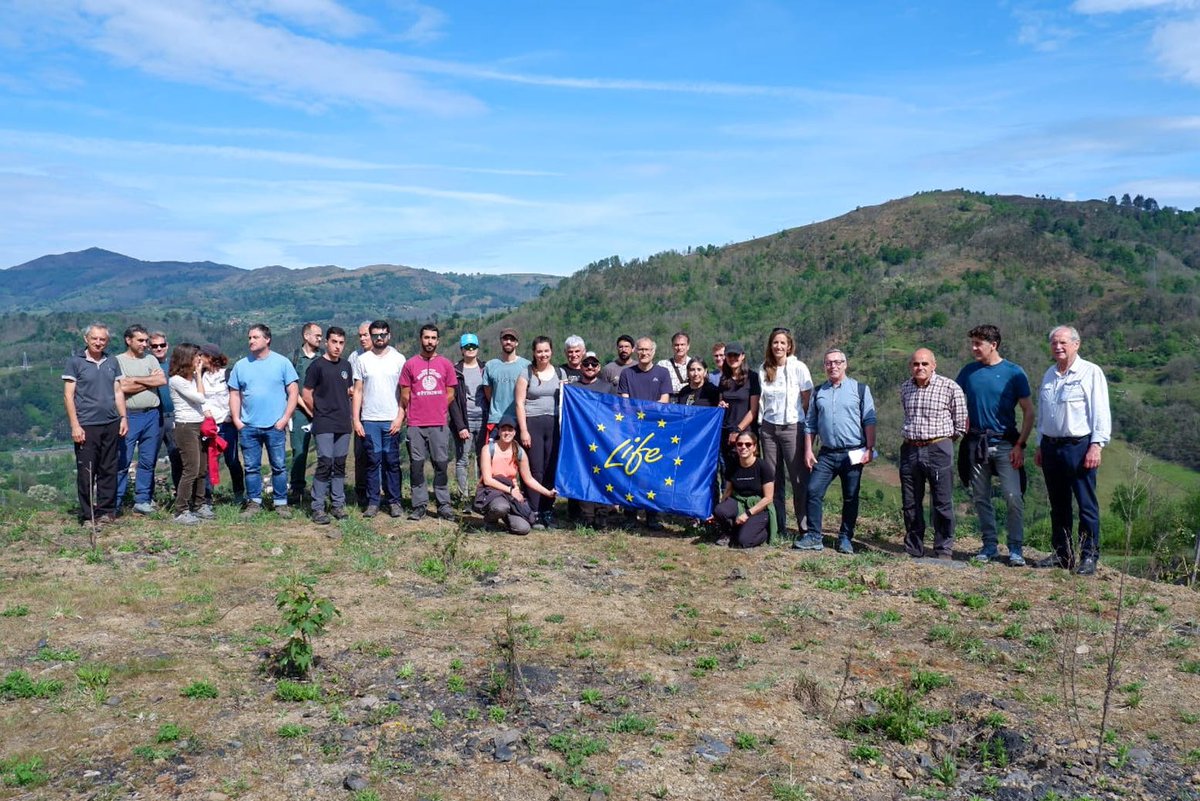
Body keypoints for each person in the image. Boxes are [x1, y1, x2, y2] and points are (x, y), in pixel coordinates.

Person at [956, 325, 1035, 566]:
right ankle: (989, 545)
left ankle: (1015, 548)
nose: (974, 348)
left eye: (978, 343)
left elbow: (1029, 411)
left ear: (994, 344)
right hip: (976, 444)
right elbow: (955, 401)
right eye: (973, 343)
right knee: (980, 496)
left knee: (1013, 496)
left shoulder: (1014, 372)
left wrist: (1020, 444)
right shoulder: (968, 372)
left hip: (1005, 444)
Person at [1035, 325, 1111, 576]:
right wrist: (1039, 445)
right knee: (1058, 504)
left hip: (1079, 447)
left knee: (1086, 504)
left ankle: (1088, 556)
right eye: (1054, 343)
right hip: (1051, 447)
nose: (1058, 347)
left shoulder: (1090, 372)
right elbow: (1043, 414)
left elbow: (1100, 411)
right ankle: (1062, 554)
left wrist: (1096, 446)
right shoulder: (1049, 374)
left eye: (1063, 342)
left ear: (1076, 344)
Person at [795, 349, 876, 554]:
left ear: (845, 364)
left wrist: (870, 447)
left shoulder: (859, 389)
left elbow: (869, 419)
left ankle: (845, 538)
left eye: (837, 362)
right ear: (825, 366)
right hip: (827, 453)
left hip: (853, 452)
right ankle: (814, 536)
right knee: (813, 490)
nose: (833, 366)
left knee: (850, 496)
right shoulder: (818, 392)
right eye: (829, 363)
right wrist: (808, 450)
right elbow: (810, 423)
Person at [899, 348, 968, 560]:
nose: (920, 368)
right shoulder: (905, 388)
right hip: (910, 448)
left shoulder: (949, 387)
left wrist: (944, 443)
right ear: (911, 366)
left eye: (924, 364)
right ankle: (913, 547)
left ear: (934, 365)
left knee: (942, 501)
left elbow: (961, 423)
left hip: (938, 448)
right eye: (916, 364)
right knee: (910, 502)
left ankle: (943, 549)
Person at [228, 324, 300, 518]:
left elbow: (293, 391)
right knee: (251, 467)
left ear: (267, 339)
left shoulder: (282, 363)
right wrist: (237, 420)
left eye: (255, 337)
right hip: (249, 425)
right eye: (249, 337)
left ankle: (280, 503)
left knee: (278, 465)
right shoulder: (241, 365)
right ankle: (254, 502)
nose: (251, 341)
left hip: (275, 425)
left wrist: (285, 418)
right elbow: (234, 394)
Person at [63, 324, 127, 527]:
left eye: (102, 339)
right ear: (86, 339)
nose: (98, 342)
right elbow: (68, 396)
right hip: (86, 425)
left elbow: (118, 391)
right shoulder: (75, 363)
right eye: (94, 338)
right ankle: (88, 514)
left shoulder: (112, 361)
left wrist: (123, 417)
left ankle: (107, 512)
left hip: (110, 422)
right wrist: (75, 425)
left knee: (109, 468)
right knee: (87, 472)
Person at [758, 328, 814, 538]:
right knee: (773, 479)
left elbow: (807, 399)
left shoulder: (799, 367)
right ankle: (778, 526)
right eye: (775, 343)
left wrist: (805, 427)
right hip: (769, 428)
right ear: (770, 345)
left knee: (799, 479)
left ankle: (805, 527)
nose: (779, 347)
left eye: (783, 343)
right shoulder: (764, 369)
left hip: (793, 427)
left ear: (789, 346)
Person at [400, 323, 458, 521]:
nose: (430, 341)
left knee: (440, 465)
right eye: (426, 337)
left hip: (439, 423)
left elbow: (451, 392)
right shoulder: (410, 364)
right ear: (420, 339)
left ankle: (443, 505)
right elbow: (405, 393)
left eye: (433, 338)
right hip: (415, 423)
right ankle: (419, 505)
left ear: (438, 341)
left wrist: (438, 406)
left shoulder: (446, 364)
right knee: (416, 466)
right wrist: (418, 407)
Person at [352, 320, 406, 518]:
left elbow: (404, 392)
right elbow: (358, 391)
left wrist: (400, 416)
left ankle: (394, 501)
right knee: (373, 461)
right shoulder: (363, 360)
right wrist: (356, 420)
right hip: (370, 420)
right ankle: (373, 502)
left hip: (391, 418)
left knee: (392, 461)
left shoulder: (399, 359)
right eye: (375, 335)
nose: (379, 338)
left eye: (383, 334)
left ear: (389, 335)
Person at [618, 338, 673, 531]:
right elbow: (625, 404)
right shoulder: (626, 374)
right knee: (631, 472)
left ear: (653, 352)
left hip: (654, 431)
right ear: (635, 351)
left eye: (647, 350)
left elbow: (663, 402)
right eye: (640, 349)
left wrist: (648, 422)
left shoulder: (663, 373)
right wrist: (634, 423)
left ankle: (652, 515)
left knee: (652, 473)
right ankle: (630, 515)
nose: (644, 353)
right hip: (632, 431)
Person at [303, 326, 354, 525]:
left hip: (343, 422)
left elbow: (347, 390)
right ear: (327, 342)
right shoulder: (317, 366)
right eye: (334, 342)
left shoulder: (346, 366)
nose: (337, 347)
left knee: (339, 463)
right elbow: (306, 394)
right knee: (325, 462)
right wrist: (319, 412)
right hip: (324, 422)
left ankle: (338, 504)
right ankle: (317, 507)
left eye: (341, 343)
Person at [515, 336, 566, 528]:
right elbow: (519, 403)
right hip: (532, 424)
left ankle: (547, 510)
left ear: (551, 351)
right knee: (535, 468)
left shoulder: (560, 373)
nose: (543, 355)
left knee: (550, 468)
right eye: (539, 351)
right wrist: (524, 431)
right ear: (534, 353)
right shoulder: (525, 373)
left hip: (554, 425)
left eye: (546, 351)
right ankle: (534, 511)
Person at [475, 418, 557, 535]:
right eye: (504, 430)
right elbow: (488, 480)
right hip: (492, 492)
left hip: (511, 496)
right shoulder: (488, 449)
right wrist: (510, 490)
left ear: (515, 432)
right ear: (498, 432)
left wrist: (547, 493)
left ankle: (507, 517)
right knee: (500, 507)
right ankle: (490, 520)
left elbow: (528, 479)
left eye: (510, 430)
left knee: (523, 529)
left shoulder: (519, 452)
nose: (507, 433)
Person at [115, 324, 165, 515]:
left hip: (152, 414)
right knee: (122, 461)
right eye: (141, 340)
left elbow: (161, 381)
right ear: (129, 340)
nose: (146, 344)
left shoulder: (151, 358)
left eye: (146, 340)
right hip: (129, 415)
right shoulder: (117, 361)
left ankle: (142, 500)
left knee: (148, 460)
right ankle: (116, 502)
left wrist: (134, 380)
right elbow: (122, 388)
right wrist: (147, 381)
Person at [167, 343, 209, 524]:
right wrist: (199, 375)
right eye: (196, 356)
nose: (199, 360)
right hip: (186, 427)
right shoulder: (176, 380)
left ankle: (199, 504)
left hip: (198, 424)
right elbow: (200, 397)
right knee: (191, 468)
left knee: (201, 468)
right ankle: (181, 509)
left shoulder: (191, 379)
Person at [711, 430, 776, 548]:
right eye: (739, 444)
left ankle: (764, 532)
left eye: (748, 444)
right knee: (720, 510)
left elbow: (768, 498)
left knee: (743, 541)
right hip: (738, 501)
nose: (743, 447)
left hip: (758, 506)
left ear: (754, 447)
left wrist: (747, 514)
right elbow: (728, 491)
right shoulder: (732, 466)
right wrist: (718, 513)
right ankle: (728, 533)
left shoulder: (763, 467)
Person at [200, 343, 244, 507]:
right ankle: (207, 497)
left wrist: (233, 416)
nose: (199, 358)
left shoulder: (227, 374)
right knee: (209, 461)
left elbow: (236, 395)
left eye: (202, 355)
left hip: (226, 424)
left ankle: (239, 494)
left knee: (232, 460)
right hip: (208, 425)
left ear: (210, 357)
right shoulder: (201, 375)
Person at [289, 322, 323, 505]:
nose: (320, 338)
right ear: (306, 336)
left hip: (321, 412)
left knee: (323, 452)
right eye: (317, 335)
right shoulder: (293, 358)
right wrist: (307, 408)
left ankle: (321, 489)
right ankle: (297, 490)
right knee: (299, 450)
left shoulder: (323, 358)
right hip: (299, 412)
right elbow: (291, 388)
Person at [452, 333, 487, 504]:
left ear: (478, 348)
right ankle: (463, 497)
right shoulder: (455, 370)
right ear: (461, 350)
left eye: (473, 346)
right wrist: (460, 425)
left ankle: (482, 496)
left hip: (483, 419)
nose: (470, 350)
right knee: (463, 459)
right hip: (464, 421)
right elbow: (452, 401)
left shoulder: (486, 368)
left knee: (484, 459)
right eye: (467, 347)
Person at [717, 342, 761, 478]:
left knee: (747, 472)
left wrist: (738, 431)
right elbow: (720, 401)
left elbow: (754, 410)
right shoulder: (724, 379)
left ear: (743, 356)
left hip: (746, 434)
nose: (733, 358)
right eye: (729, 355)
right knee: (728, 474)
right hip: (726, 433)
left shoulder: (753, 378)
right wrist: (720, 404)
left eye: (736, 355)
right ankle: (728, 499)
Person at [148, 332, 182, 497]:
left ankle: (181, 496)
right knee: (149, 459)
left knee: (177, 458)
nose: (159, 348)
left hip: (173, 416)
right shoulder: (145, 366)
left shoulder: (175, 366)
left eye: (162, 345)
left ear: (167, 346)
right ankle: (147, 498)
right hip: (153, 417)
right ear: (149, 347)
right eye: (154, 346)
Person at [483, 328, 530, 441]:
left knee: (518, 456)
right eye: (505, 339)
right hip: (496, 420)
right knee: (493, 455)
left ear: (516, 343)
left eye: (512, 339)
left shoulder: (527, 365)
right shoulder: (490, 365)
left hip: (519, 420)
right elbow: (488, 393)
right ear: (501, 341)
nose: (508, 342)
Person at [348, 320, 373, 508]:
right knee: (361, 453)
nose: (363, 338)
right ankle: (361, 492)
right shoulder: (354, 357)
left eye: (366, 335)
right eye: (360, 335)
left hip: (381, 413)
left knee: (383, 454)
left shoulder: (390, 356)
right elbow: (347, 384)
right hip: (360, 413)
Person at [656, 332, 691, 400]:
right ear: (672, 346)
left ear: (688, 346)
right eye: (676, 345)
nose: (679, 347)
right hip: (668, 403)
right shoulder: (663, 365)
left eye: (682, 344)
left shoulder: (694, 365)